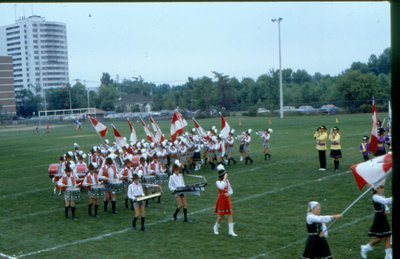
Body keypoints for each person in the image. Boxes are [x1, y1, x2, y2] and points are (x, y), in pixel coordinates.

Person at [360, 185, 392, 259]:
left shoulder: (381, 196)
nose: (383, 189)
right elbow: (385, 201)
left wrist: (387, 210)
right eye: (381, 188)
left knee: (386, 236)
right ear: (376, 189)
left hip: (383, 218)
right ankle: (365, 248)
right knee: (381, 237)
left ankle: (388, 255)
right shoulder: (375, 197)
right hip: (379, 219)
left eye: (382, 188)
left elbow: (385, 205)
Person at [213, 165, 237, 237]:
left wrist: (228, 194)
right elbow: (221, 187)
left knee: (230, 214)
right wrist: (225, 179)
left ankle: (231, 231)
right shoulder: (218, 182)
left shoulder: (226, 181)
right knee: (221, 216)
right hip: (221, 200)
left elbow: (231, 190)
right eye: (225, 174)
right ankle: (216, 227)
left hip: (227, 199)